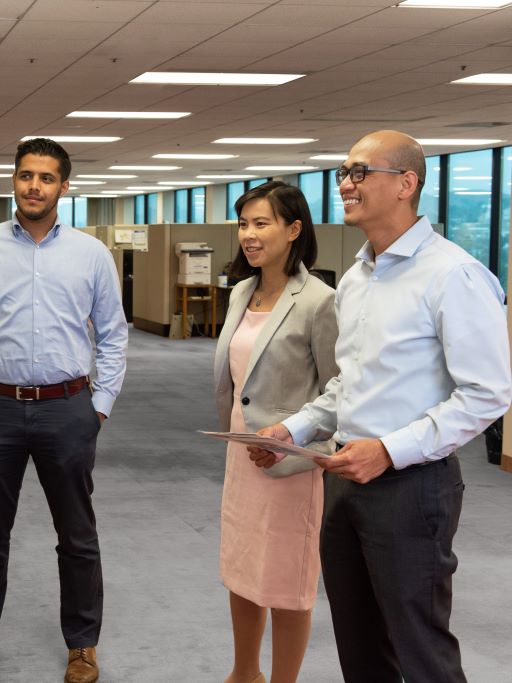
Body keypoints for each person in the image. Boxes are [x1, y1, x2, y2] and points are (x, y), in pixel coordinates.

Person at [250, 130, 512, 682]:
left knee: (419, 649)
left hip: (412, 486)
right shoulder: (356, 279)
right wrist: (295, 430)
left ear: (406, 184)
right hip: (344, 476)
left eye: (359, 172)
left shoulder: (453, 274)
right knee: (361, 646)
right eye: (344, 172)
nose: (345, 183)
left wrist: (390, 452)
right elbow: (351, 383)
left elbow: (487, 393)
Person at [0, 138, 128, 683]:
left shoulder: (90, 254)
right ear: (14, 181)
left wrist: (99, 406)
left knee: (77, 534)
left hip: (68, 409)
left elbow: (114, 335)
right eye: (26, 175)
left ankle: (83, 645)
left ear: (64, 187)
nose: (34, 186)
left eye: (47, 178)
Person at [213, 181, 339, 683]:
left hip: (290, 464)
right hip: (242, 456)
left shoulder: (319, 301)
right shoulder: (241, 290)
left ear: (293, 229)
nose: (249, 234)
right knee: (242, 568)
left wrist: (294, 441)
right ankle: (244, 673)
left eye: (262, 223)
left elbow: (337, 390)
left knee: (288, 580)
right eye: (244, 224)